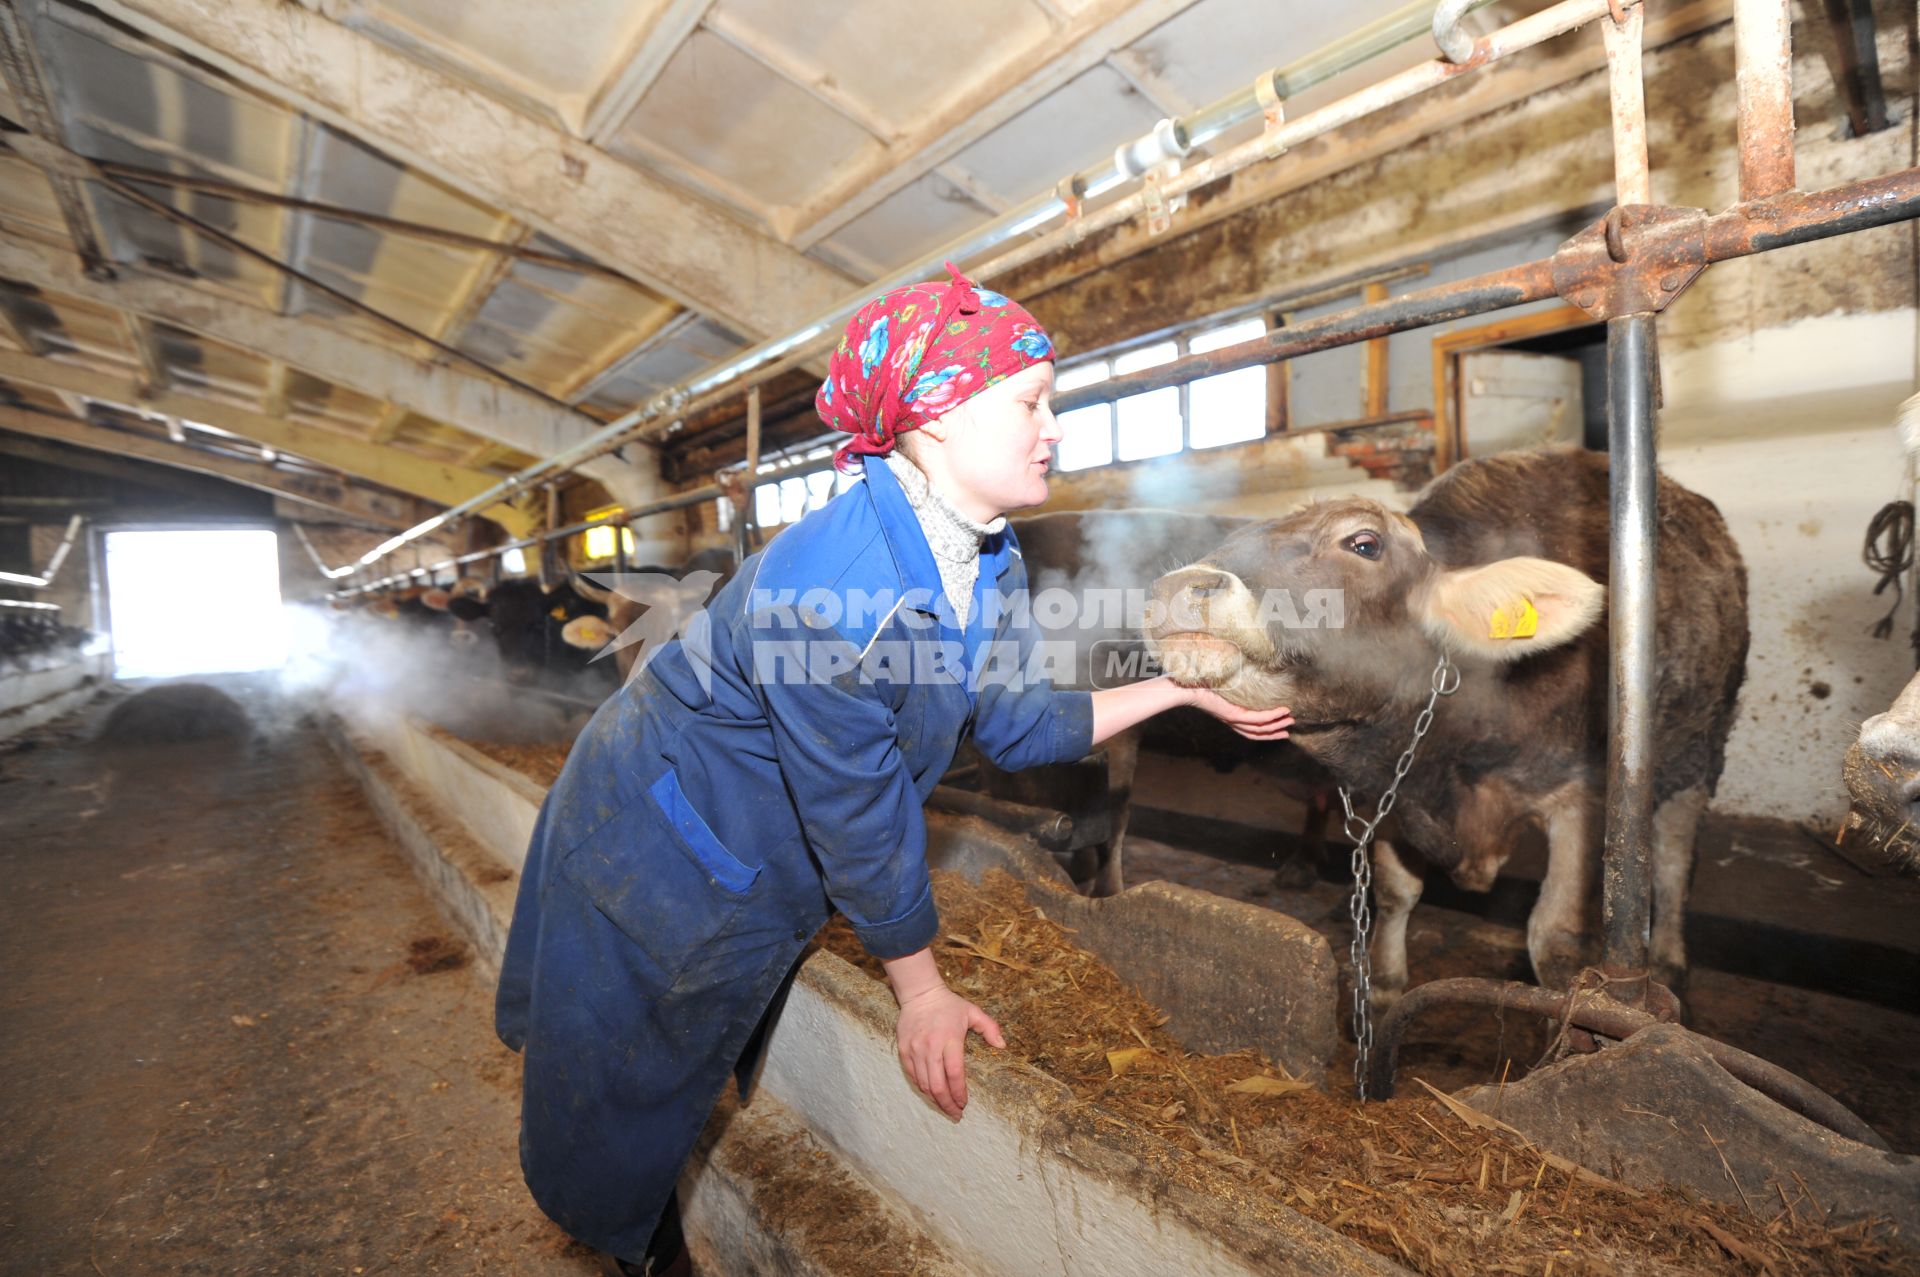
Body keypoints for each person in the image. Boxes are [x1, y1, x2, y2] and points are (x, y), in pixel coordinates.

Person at [493, 264, 1293, 1275]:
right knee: (626, 1080)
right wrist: (920, 988)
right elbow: (860, 823)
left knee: (680, 1060)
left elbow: (1014, 723)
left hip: (742, 825)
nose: (1054, 427)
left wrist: (1182, 689)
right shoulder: (833, 594)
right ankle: (640, 1247)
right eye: (1031, 402)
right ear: (938, 418)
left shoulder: (981, 554)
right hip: (664, 831)